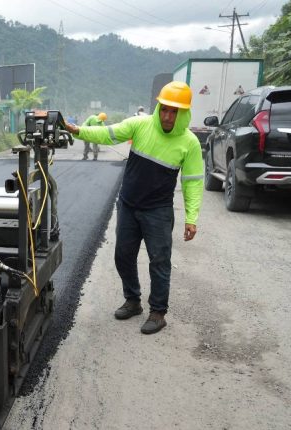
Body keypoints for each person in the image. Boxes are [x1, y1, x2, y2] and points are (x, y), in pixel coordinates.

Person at [64, 81, 204, 334]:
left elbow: (193, 183)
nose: (168, 116)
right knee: (123, 255)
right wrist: (77, 131)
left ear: (184, 113)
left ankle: (158, 312)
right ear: (159, 106)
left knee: (159, 262)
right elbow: (108, 134)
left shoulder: (189, 143)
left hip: (158, 211)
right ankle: (133, 300)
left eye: (175, 111)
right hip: (128, 205)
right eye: (165, 109)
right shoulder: (140, 125)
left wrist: (191, 218)